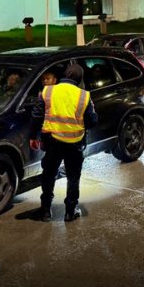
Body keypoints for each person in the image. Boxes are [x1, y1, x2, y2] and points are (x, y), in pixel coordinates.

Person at [30, 64, 98, 222]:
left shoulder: (49, 91)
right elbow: (92, 121)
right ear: (79, 78)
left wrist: (33, 136)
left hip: (52, 141)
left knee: (49, 175)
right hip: (74, 143)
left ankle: (46, 210)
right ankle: (70, 211)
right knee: (73, 177)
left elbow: (36, 115)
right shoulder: (84, 96)